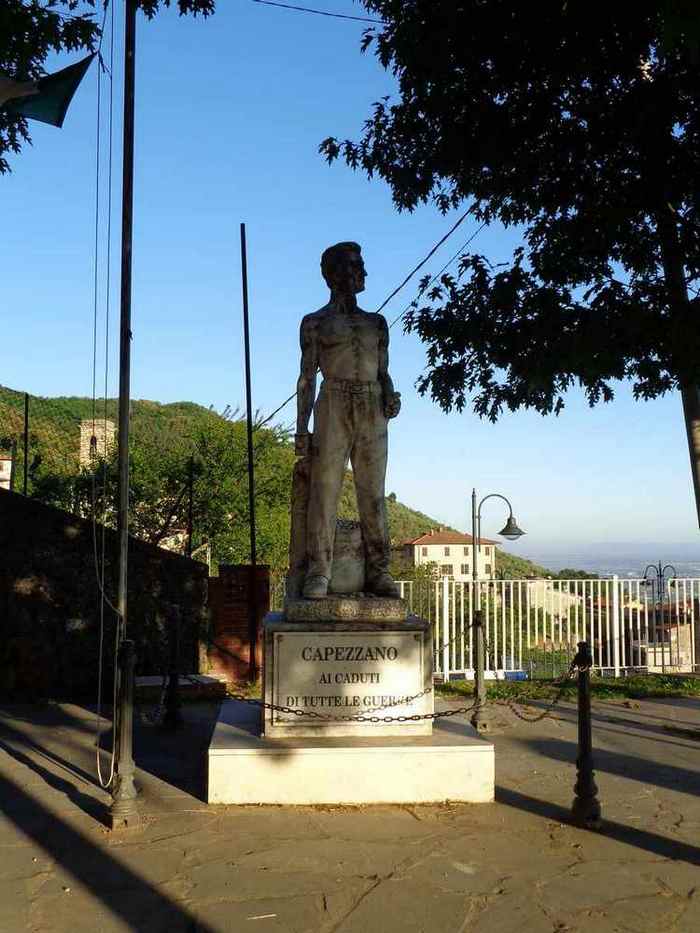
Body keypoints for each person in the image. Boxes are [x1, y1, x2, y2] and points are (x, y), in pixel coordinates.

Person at [295, 242, 401, 599]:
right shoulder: (316, 323)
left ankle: (379, 570)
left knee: (373, 493)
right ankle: (319, 571)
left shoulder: (377, 323)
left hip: (372, 404)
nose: (363, 273)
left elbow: (384, 371)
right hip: (333, 401)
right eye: (356, 266)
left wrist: (389, 393)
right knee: (324, 491)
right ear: (334, 274)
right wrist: (301, 428)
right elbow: (307, 377)